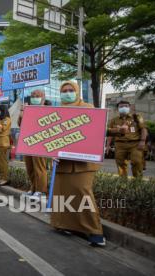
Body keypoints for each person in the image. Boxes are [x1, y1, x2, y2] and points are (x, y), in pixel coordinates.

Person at [50, 81, 105, 247]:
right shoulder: (55, 112)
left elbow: (95, 133)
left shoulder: (88, 108)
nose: (67, 93)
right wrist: (50, 152)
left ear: (77, 91)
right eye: (64, 90)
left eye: (70, 90)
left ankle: (95, 232)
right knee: (61, 194)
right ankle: (65, 225)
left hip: (84, 163)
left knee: (82, 193)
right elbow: (49, 137)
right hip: (62, 163)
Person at [18, 90, 48, 198]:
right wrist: (22, 112)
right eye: (33, 96)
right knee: (30, 167)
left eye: (37, 96)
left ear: (43, 97)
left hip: (40, 143)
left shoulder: (46, 110)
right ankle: (33, 188)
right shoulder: (27, 109)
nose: (35, 97)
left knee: (39, 167)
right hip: (28, 142)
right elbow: (20, 124)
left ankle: (41, 190)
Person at [106, 100, 147, 178]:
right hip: (120, 144)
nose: (124, 108)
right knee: (120, 163)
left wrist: (142, 141)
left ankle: (138, 182)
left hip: (135, 144)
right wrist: (108, 145)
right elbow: (110, 134)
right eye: (121, 106)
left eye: (126, 106)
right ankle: (123, 182)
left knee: (137, 161)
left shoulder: (136, 117)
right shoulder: (114, 120)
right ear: (118, 108)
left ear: (129, 107)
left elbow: (144, 129)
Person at [0, 104, 11, 186]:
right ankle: (1, 177)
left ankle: (5, 179)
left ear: (2, 110)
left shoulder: (6, 119)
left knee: (2, 162)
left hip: (3, 143)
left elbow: (1, 129)